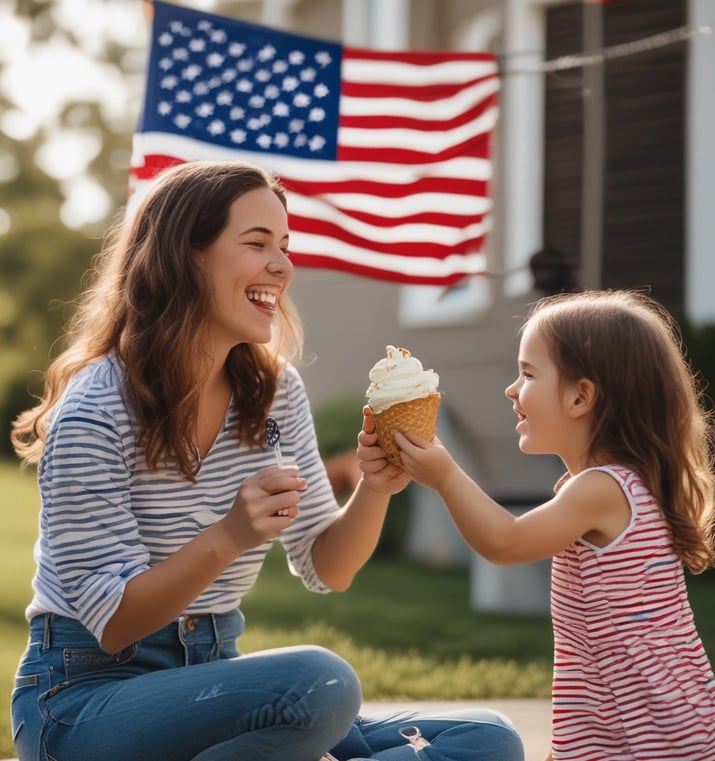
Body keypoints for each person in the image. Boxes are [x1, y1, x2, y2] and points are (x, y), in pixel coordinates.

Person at [9, 160, 524, 761]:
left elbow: (327, 567)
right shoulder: (97, 410)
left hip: (214, 685)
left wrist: (377, 487)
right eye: (257, 244)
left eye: (285, 246)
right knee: (320, 681)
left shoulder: (274, 394)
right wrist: (229, 535)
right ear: (185, 256)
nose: (282, 265)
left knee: (486, 737)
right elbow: (116, 622)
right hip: (84, 700)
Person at [394, 290, 715, 760]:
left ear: (581, 396)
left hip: (646, 723)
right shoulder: (627, 483)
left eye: (527, 374)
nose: (511, 389)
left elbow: (506, 542)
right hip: (655, 709)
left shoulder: (601, 489)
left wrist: (445, 476)